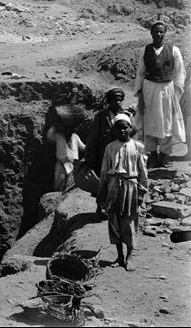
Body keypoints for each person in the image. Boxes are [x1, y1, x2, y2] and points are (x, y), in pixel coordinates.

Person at [97, 113, 147, 271]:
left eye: (125, 128)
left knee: (129, 221)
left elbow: (143, 172)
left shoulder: (138, 147)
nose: (122, 131)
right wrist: (101, 192)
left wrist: (141, 192)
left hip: (131, 186)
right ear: (115, 131)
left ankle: (129, 257)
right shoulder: (109, 147)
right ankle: (119, 256)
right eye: (118, 129)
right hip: (113, 186)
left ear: (130, 128)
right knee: (114, 221)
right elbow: (104, 171)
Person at [133, 20, 186, 167]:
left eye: (161, 31)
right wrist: (139, 92)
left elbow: (180, 71)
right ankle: (152, 155)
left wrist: (176, 91)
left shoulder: (174, 50)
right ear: (151, 33)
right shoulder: (145, 50)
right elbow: (140, 72)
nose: (159, 34)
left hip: (167, 89)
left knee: (167, 122)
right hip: (149, 89)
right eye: (156, 31)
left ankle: (164, 155)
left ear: (165, 33)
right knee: (150, 121)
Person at [46, 105, 87, 191]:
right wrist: (57, 123)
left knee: (71, 183)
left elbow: (83, 148)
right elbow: (49, 136)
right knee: (59, 182)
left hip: (73, 165)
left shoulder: (75, 137)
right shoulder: (58, 136)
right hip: (61, 164)